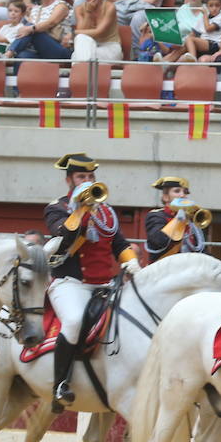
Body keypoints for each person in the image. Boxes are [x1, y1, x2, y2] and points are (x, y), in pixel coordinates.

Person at [44, 153, 139, 407]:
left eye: (90, 176)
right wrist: (80, 210)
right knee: (73, 321)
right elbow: (62, 237)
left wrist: (132, 262)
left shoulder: (106, 212)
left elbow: (118, 243)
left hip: (104, 285)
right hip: (70, 283)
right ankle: (60, 384)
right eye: (81, 177)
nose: (87, 180)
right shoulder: (57, 208)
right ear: (69, 181)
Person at [144, 176, 209, 262]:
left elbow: (201, 249)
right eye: (177, 191)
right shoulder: (156, 216)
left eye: (185, 192)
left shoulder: (191, 219)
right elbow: (159, 241)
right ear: (165, 197)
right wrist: (178, 219)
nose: (182, 195)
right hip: (164, 269)